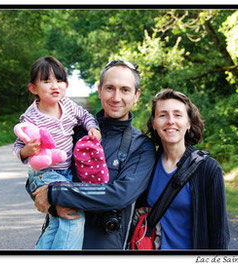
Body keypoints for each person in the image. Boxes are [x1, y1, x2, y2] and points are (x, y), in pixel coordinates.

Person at [30, 60, 157, 249]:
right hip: (58, 242)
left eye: (125, 90)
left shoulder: (141, 146)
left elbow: (120, 195)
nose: (116, 97)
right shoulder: (74, 131)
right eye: (109, 88)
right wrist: (52, 203)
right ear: (99, 90)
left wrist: (57, 193)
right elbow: (39, 175)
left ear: (136, 95)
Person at [13, 56, 102, 250]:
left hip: (65, 174)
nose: (55, 86)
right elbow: (17, 147)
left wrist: (92, 128)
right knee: (73, 215)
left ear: (66, 84)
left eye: (59, 80)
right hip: (44, 174)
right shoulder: (31, 116)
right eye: (47, 81)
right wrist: (27, 151)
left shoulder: (69, 106)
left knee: (56, 222)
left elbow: (85, 116)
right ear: (33, 88)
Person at [144, 89, 230, 249]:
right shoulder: (147, 164)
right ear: (154, 123)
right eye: (163, 115)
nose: (170, 121)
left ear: (189, 122)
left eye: (177, 115)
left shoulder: (208, 169)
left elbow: (219, 235)